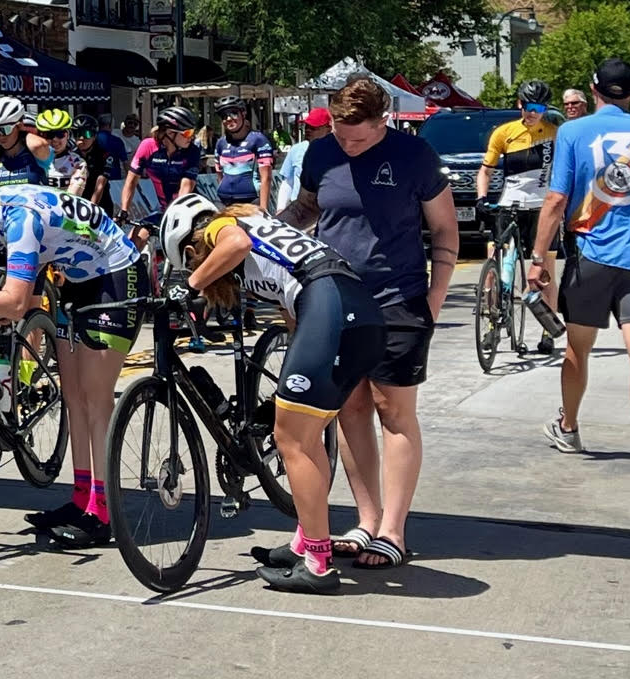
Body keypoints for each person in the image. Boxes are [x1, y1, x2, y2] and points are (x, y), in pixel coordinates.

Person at [163, 193, 385, 593]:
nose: (202, 270)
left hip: (332, 303)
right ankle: (306, 541)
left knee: (292, 441)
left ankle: (317, 563)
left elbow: (235, 245)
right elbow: (297, 321)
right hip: (355, 309)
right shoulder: (268, 231)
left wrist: (188, 284)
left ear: (193, 247)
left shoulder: (219, 228)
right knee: (303, 433)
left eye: (192, 261)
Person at [0, 177, 143, 549]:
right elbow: (28, 284)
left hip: (116, 272)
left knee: (96, 400)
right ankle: (83, 498)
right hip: (80, 276)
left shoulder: (20, 221)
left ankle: (104, 509)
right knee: (73, 398)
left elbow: (15, 302)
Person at [281, 76, 458, 570]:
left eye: (359, 137)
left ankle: (394, 530)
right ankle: (366, 518)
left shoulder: (413, 155)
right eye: (341, 133)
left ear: (384, 122)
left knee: (393, 411)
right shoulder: (321, 154)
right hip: (334, 295)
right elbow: (307, 208)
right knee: (349, 408)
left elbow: (445, 229)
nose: (348, 144)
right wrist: (266, 229)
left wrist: (434, 298)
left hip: (398, 295)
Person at [529, 60, 630, 474]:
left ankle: (570, 426)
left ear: (593, 91)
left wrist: (539, 256)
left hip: (590, 255)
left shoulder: (573, 132)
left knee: (578, 348)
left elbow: (556, 200)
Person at [478, 80, 562, 355]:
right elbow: (486, 170)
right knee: (494, 261)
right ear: (519, 105)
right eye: (528, 106)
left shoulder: (554, 133)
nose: (532, 112)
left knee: (545, 271)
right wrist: (481, 198)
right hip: (509, 205)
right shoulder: (505, 132)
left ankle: (548, 331)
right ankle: (492, 324)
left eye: (538, 107)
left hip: (541, 208)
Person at [119, 105, 202, 228]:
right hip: (164, 211)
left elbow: (186, 188)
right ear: (170, 133)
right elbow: (131, 182)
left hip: (187, 209)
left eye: (192, 132)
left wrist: (172, 216)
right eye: (187, 133)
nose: (191, 137)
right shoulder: (148, 146)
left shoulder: (192, 150)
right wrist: (124, 210)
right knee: (135, 239)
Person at [0, 97, 52, 189]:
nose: (0, 136)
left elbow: (38, 145)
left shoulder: (37, 153)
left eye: (4, 130)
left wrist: (24, 132)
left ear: (19, 126)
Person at [210, 95, 274, 207]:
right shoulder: (221, 143)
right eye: (224, 116)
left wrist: (263, 209)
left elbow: (266, 178)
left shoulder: (258, 140)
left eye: (234, 113)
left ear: (243, 114)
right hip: (223, 201)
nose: (229, 119)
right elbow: (219, 175)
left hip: (250, 201)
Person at [274, 107, 329, 211]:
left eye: (313, 128)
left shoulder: (338, 152)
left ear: (328, 128)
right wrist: (280, 208)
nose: (308, 130)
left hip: (324, 210)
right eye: (306, 126)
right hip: (299, 209)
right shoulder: (296, 149)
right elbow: (288, 182)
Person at [71, 118, 114, 208]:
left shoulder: (104, 156)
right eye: (77, 134)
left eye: (87, 134)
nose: (82, 138)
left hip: (100, 204)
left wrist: (92, 208)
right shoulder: (70, 155)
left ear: (94, 136)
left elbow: (100, 185)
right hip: (77, 203)